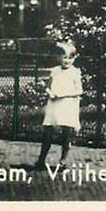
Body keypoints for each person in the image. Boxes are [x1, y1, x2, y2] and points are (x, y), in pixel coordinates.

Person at [34, 42, 82, 171]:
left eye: (70, 58)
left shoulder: (75, 72)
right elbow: (48, 87)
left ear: (74, 58)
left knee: (66, 134)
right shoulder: (55, 71)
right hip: (54, 105)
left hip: (67, 105)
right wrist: (51, 93)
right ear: (59, 57)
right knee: (47, 133)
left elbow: (79, 91)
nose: (67, 61)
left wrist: (63, 95)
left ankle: (62, 161)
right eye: (64, 57)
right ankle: (41, 160)